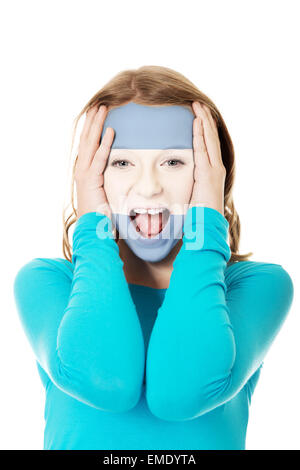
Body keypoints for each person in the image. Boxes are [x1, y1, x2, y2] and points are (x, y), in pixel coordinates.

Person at [13, 65, 294, 450]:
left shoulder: (256, 286)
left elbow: (183, 393)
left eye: (174, 162)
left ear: (211, 175)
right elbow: (105, 382)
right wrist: (93, 226)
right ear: (90, 176)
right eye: (121, 163)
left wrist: (205, 223)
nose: (148, 188)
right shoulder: (47, 282)